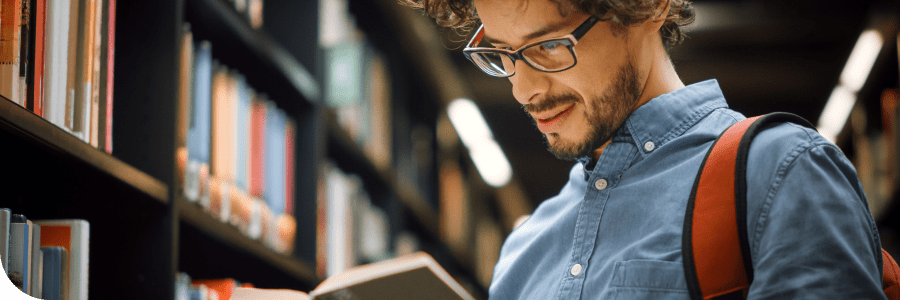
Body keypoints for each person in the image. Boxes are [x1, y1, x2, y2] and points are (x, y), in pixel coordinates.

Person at [402, 0, 885, 299]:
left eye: (548, 46)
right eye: (501, 54)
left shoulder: (780, 171)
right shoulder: (523, 249)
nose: (522, 89)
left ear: (649, 7)